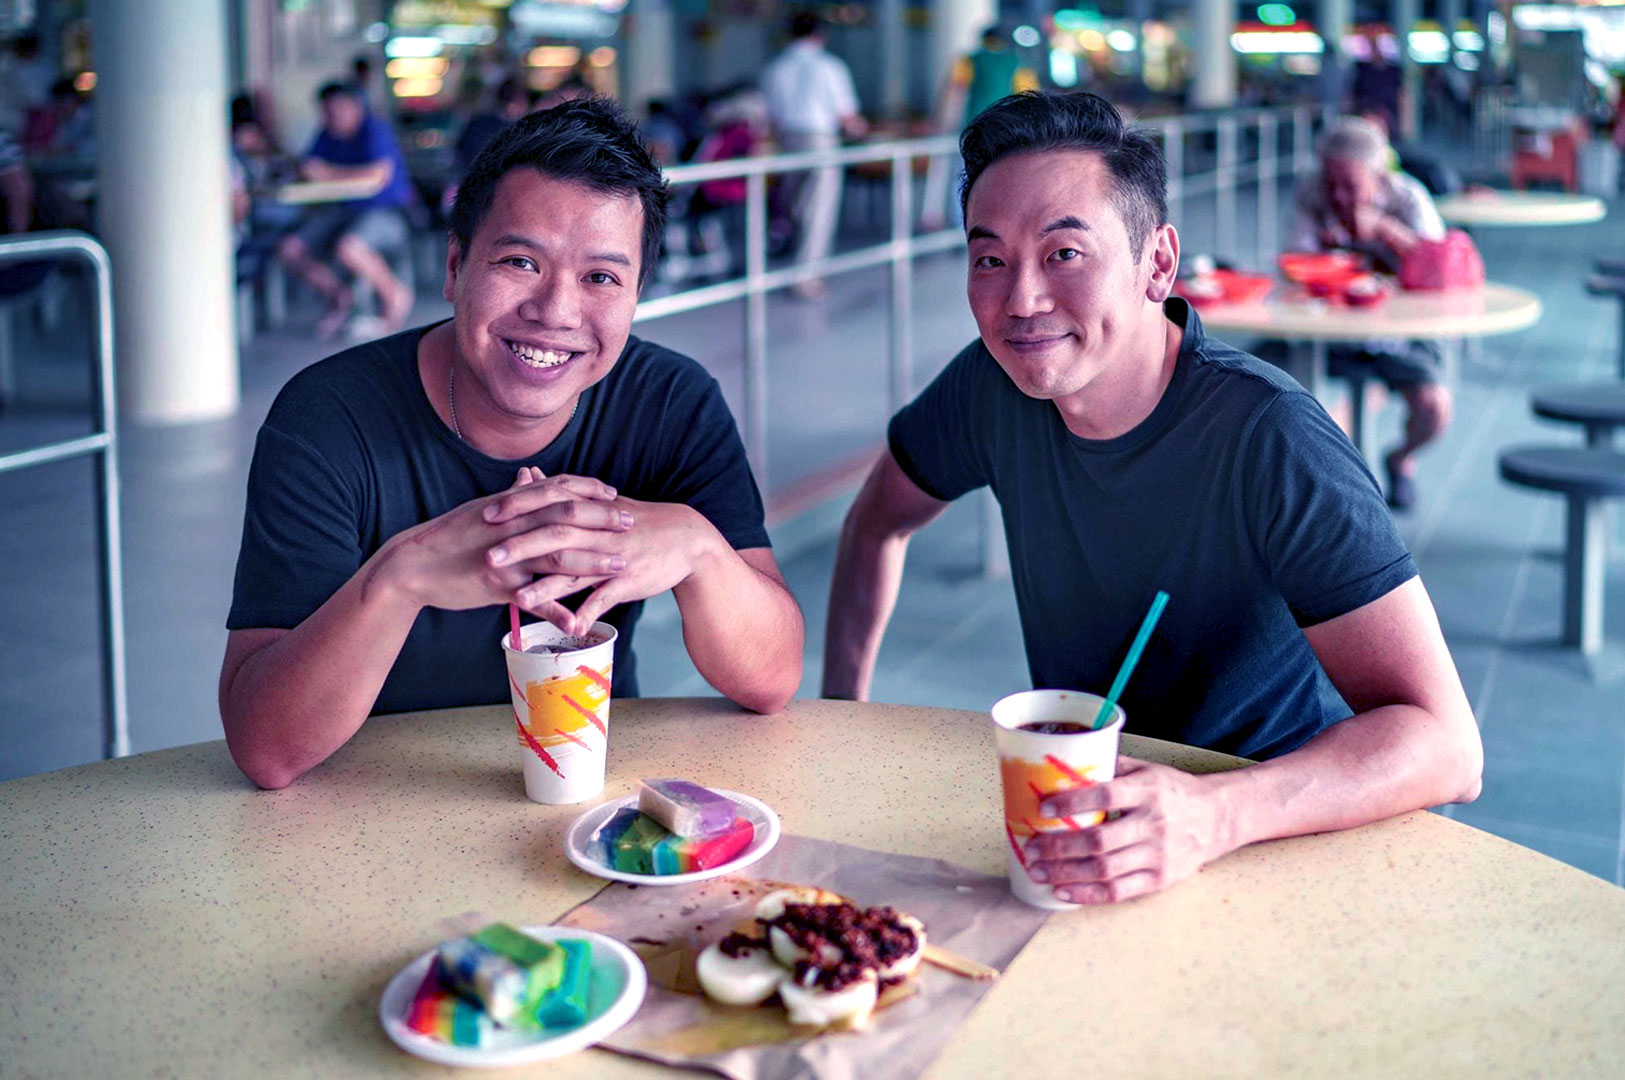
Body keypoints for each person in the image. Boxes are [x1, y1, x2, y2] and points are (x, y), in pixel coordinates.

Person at [822, 91, 1480, 906]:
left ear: (1158, 264)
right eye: (989, 260)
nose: (1020, 300)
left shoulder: (1270, 436)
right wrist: (840, 721)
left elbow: (1449, 747)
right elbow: (875, 524)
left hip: (1270, 840)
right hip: (1084, 826)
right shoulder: (988, 390)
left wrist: (1215, 812)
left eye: (1064, 253)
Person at [221, 97, 803, 790]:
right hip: (374, 798)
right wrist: (401, 579)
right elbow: (266, 748)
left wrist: (699, 548)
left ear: (636, 296)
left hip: (590, 802)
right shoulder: (328, 417)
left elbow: (772, 679)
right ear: (455, 266)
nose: (555, 311)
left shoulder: (671, 403)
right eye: (521, 262)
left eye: (601, 278)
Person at [1285, 115, 1451, 509]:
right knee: (1293, 406)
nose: (1339, 195)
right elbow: (1295, 263)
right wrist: (1327, 250)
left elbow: (1439, 270)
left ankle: (1401, 458)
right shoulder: (1313, 194)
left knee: (1434, 409)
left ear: (1378, 177)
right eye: (1331, 183)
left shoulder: (1408, 198)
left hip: (1401, 332)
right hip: (1331, 329)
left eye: (1350, 185)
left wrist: (1388, 233)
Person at [275, 81, 415, 338]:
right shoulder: (327, 133)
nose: (333, 116)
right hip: (343, 210)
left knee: (349, 248)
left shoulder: (374, 129)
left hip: (386, 211)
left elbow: (378, 174)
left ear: (356, 107)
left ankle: (395, 296)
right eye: (327, 111)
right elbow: (309, 166)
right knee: (290, 248)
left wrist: (326, 173)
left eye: (338, 109)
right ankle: (340, 296)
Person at [760, 11, 866, 299]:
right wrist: (863, 132)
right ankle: (805, 276)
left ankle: (793, 264)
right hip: (821, 142)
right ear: (821, 35)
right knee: (818, 211)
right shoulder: (830, 67)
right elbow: (847, 116)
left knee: (795, 207)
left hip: (786, 143)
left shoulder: (775, 68)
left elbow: (768, 117)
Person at [920, 26, 1038, 230]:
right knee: (1002, 175)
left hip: (973, 127)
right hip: (1005, 129)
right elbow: (1030, 97)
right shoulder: (1016, 62)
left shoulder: (970, 59)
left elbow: (953, 91)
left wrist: (940, 122)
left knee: (964, 176)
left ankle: (962, 224)